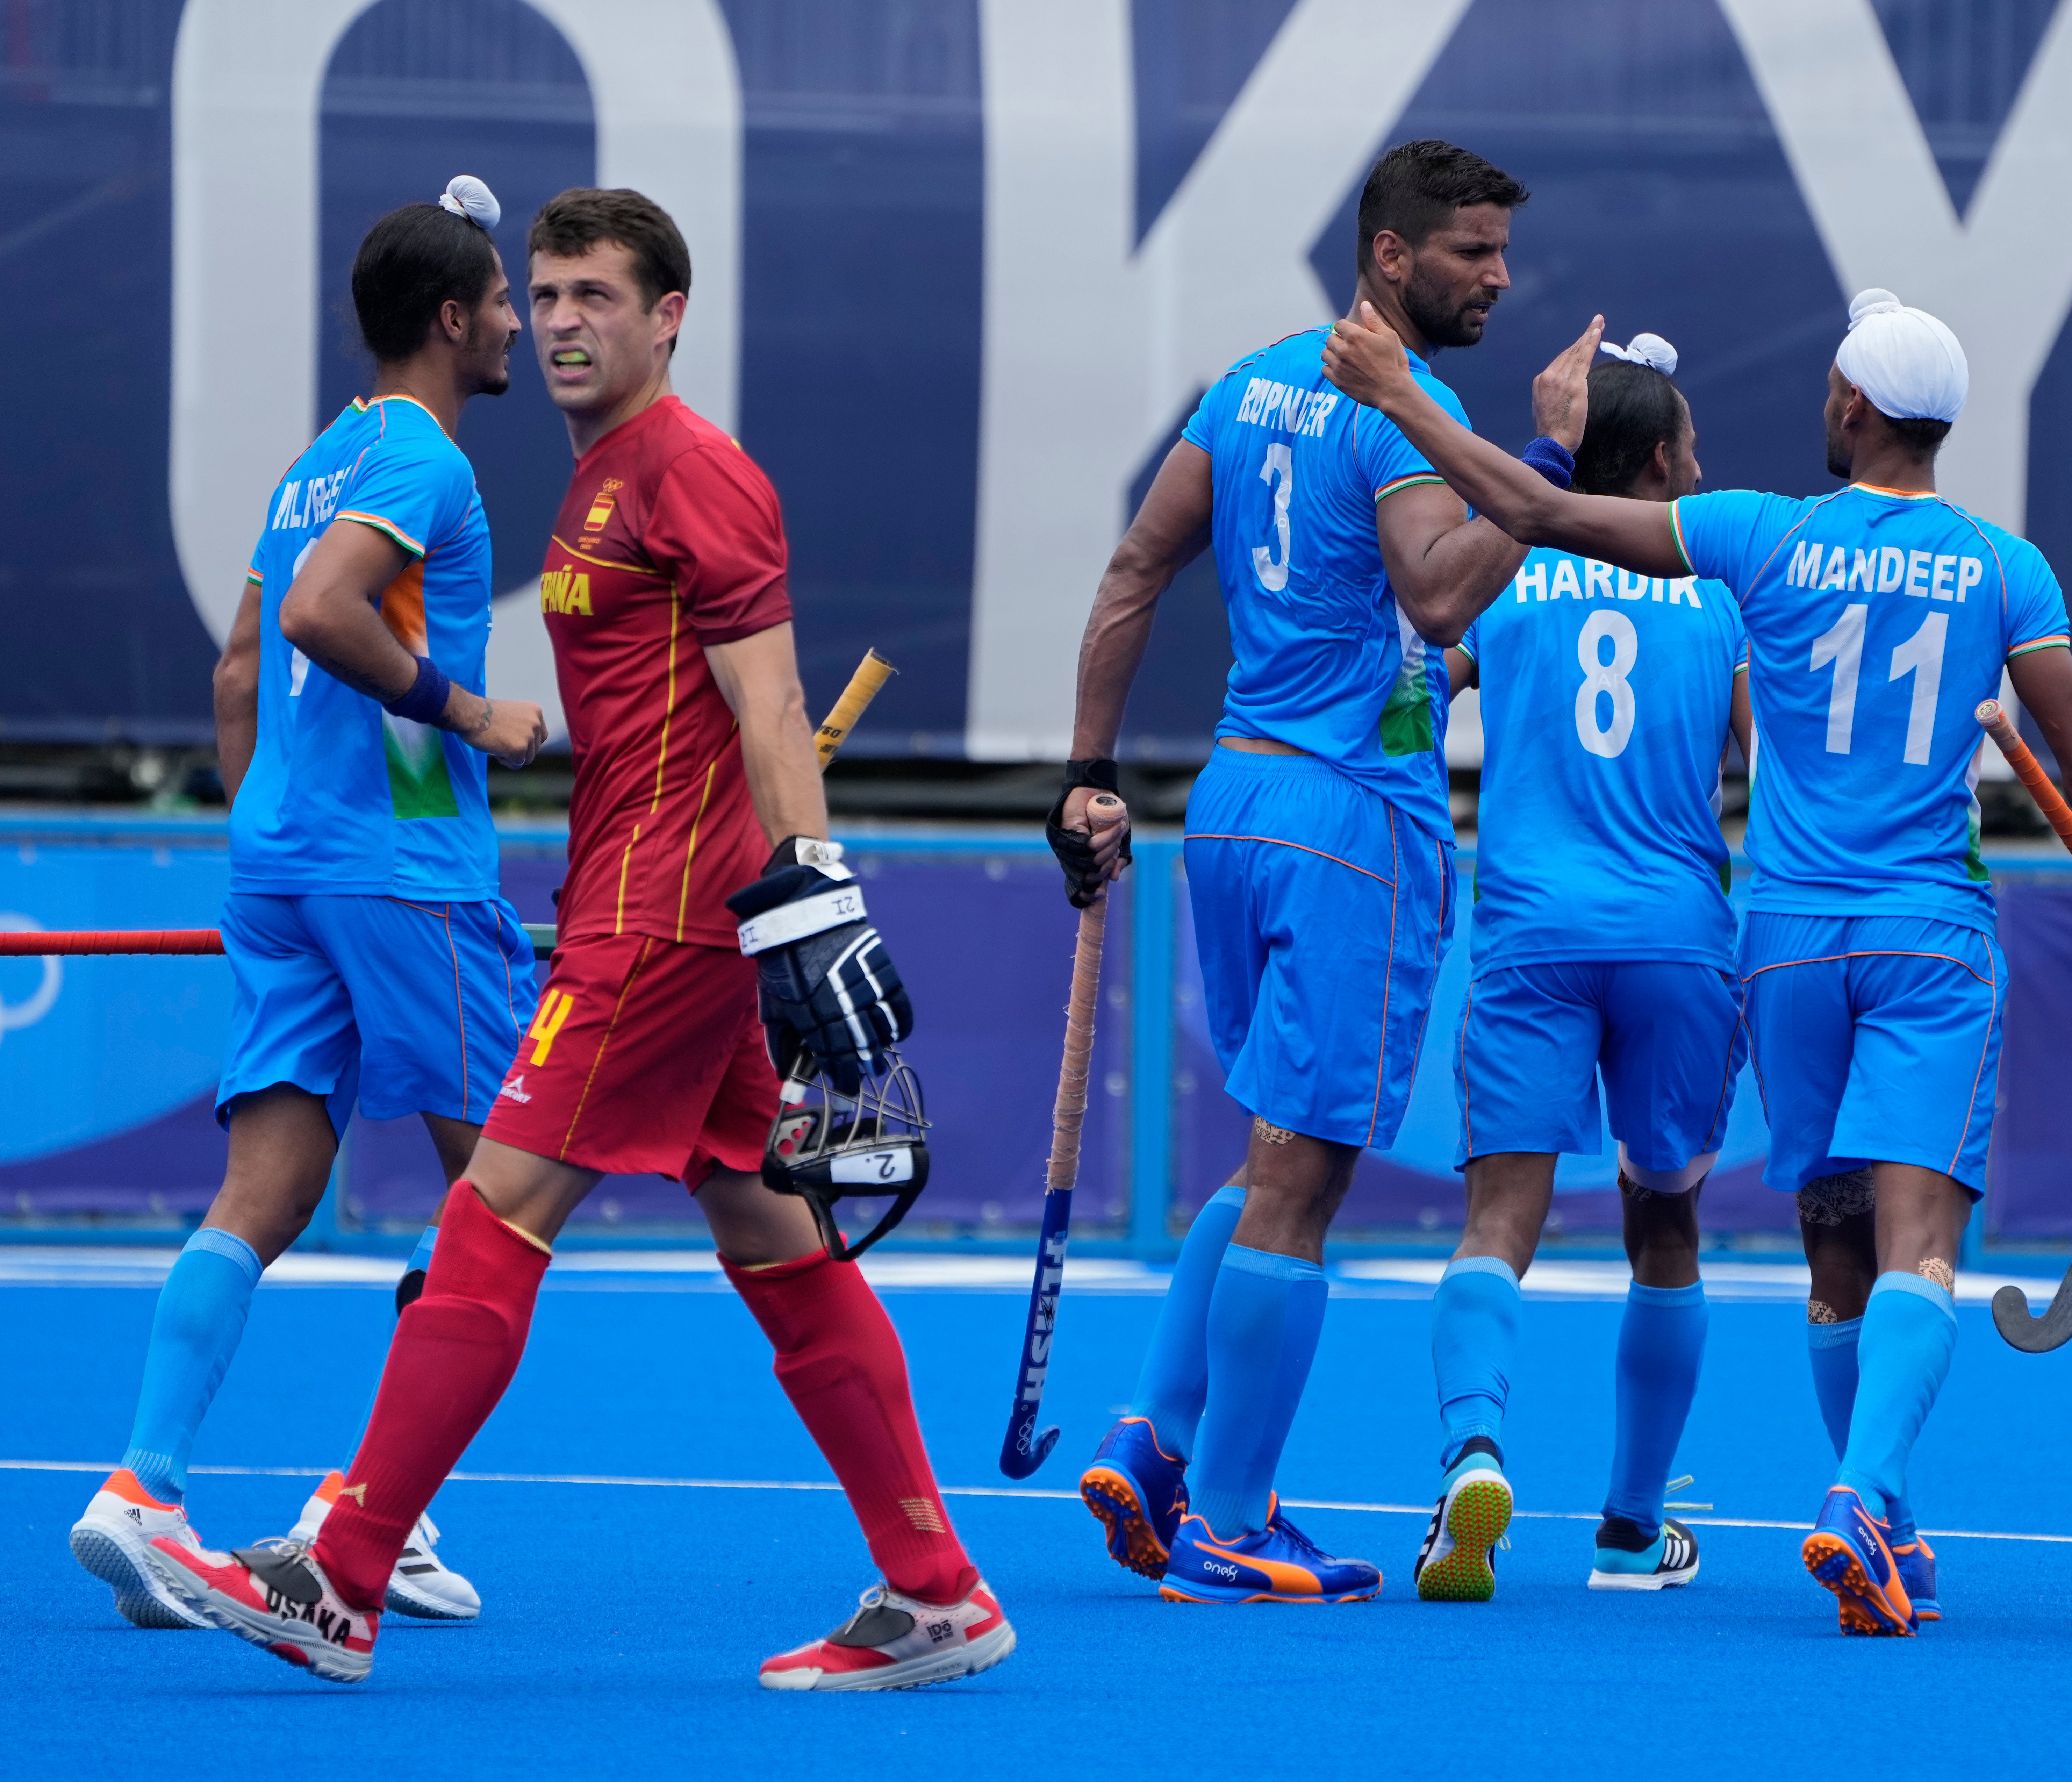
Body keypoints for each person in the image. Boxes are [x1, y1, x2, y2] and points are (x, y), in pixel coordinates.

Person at [145, 187, 1006, 1693]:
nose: (557, 322)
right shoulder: (596, 479)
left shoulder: (694, 472)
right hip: (641, 900)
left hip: (663, 921)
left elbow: (773, 705)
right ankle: (936, 1589)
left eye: (594, 297)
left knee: (496, 1210)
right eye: (541, 296)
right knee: (770, 1231)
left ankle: (341, 1577)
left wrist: (812, 886)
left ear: (667, 316)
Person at [1321, 286, 2072, 1637]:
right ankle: (1816, 1506)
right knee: (1857, 1243)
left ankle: (1480, 1459)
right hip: (1852, 934)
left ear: (1850, 402)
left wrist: (1406, 400)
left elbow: (1509, 555)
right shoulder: (1997, 567)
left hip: (1755, 946)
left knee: (1776, 1246)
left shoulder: (1754, 543)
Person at [1049, 139, 1568, 1604]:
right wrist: (1538, 469)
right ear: (1392, 257)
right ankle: (1225, 1517)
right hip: (1348, 825)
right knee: (1308, 1172)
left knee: (1273, 1150)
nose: (1499, 276)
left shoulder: (1248, 379)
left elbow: (1136, 572)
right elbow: (1439, 583)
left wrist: (1088, 771)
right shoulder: (1406, 408)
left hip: (1236, 799)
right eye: (1474, 249)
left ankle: (1155, 1434)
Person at [69, 177, 544, 1634]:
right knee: (511, 1185)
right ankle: (370, 1515)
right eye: (508, 302)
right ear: (452, 319)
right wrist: (472, 712)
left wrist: (268, 839)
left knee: (262, 1192)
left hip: (277, 858)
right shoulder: (426, 461)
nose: (525, 322)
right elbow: (312, 618)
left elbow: (234, 672)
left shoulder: (310, 468)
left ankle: (144, 1489)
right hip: (401, 871)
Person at [1406, 332, 1745, 1602]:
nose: (1706, 467)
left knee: (1498, 1223)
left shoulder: (1507, 578)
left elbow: (1409, 695)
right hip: (1676, 942)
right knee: (1667, 1223)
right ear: (1658, 463)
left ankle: (1473, 1454)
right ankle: (1629, 1528)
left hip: (1533, 936)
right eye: (1694, 449)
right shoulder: (1722, 589)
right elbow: (1787, 763)